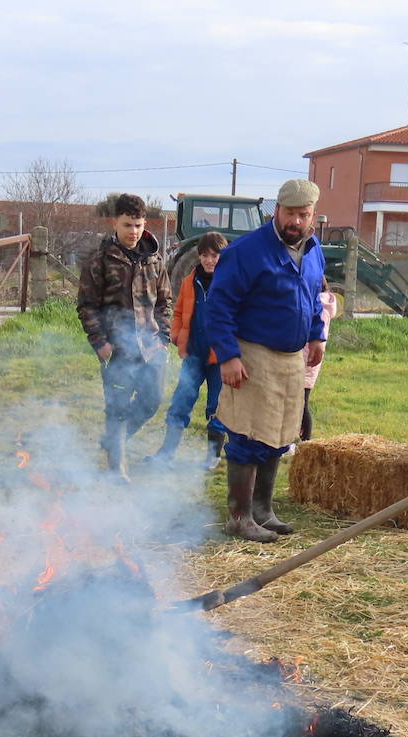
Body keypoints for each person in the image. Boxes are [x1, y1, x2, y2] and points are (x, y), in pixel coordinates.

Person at [205, 179, 326, 542]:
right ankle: (239, 517)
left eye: (303, 215)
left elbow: (315, 293)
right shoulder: (246, 252)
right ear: (277, 210)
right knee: (247, 433)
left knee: (278, 434)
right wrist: (227, 356)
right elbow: (219, 307)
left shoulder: (314, 250)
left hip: (292, 356)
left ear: (312, 216)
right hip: (251, 354)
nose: (296, 222)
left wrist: (317, 333)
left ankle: (263, 510)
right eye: (290, 213)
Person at [76, 193, 173, 481]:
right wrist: (101, 343)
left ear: (145, 224)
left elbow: (165, 302)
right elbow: (87, 306)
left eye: (138, 225)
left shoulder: (155, 260)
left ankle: (112, 442)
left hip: (152, 349)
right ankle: (116, 467)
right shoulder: (99, 261)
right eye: (128, 225)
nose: (133, 232)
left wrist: (163, 337)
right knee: (117, 408)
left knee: (152, 401)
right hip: (116, 350)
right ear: (114, 223)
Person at [149, 232, 228, 469]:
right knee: (181, 401)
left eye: (214, 255)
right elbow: (179, 312)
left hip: (219, 357)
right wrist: (176, 335)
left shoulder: (230, 283)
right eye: (205, 255)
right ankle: (167, 451)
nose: (209, 260)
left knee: (217, 406)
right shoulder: (189, 281)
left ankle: (213, 454)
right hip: (193, 353)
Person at [300, 283, 339, 443]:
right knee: (299, 403)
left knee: (302, 404)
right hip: (306, 359)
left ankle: (305, 441)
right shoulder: (320, 304)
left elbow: (317, 337)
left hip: (307, 360)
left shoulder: (320, 306)